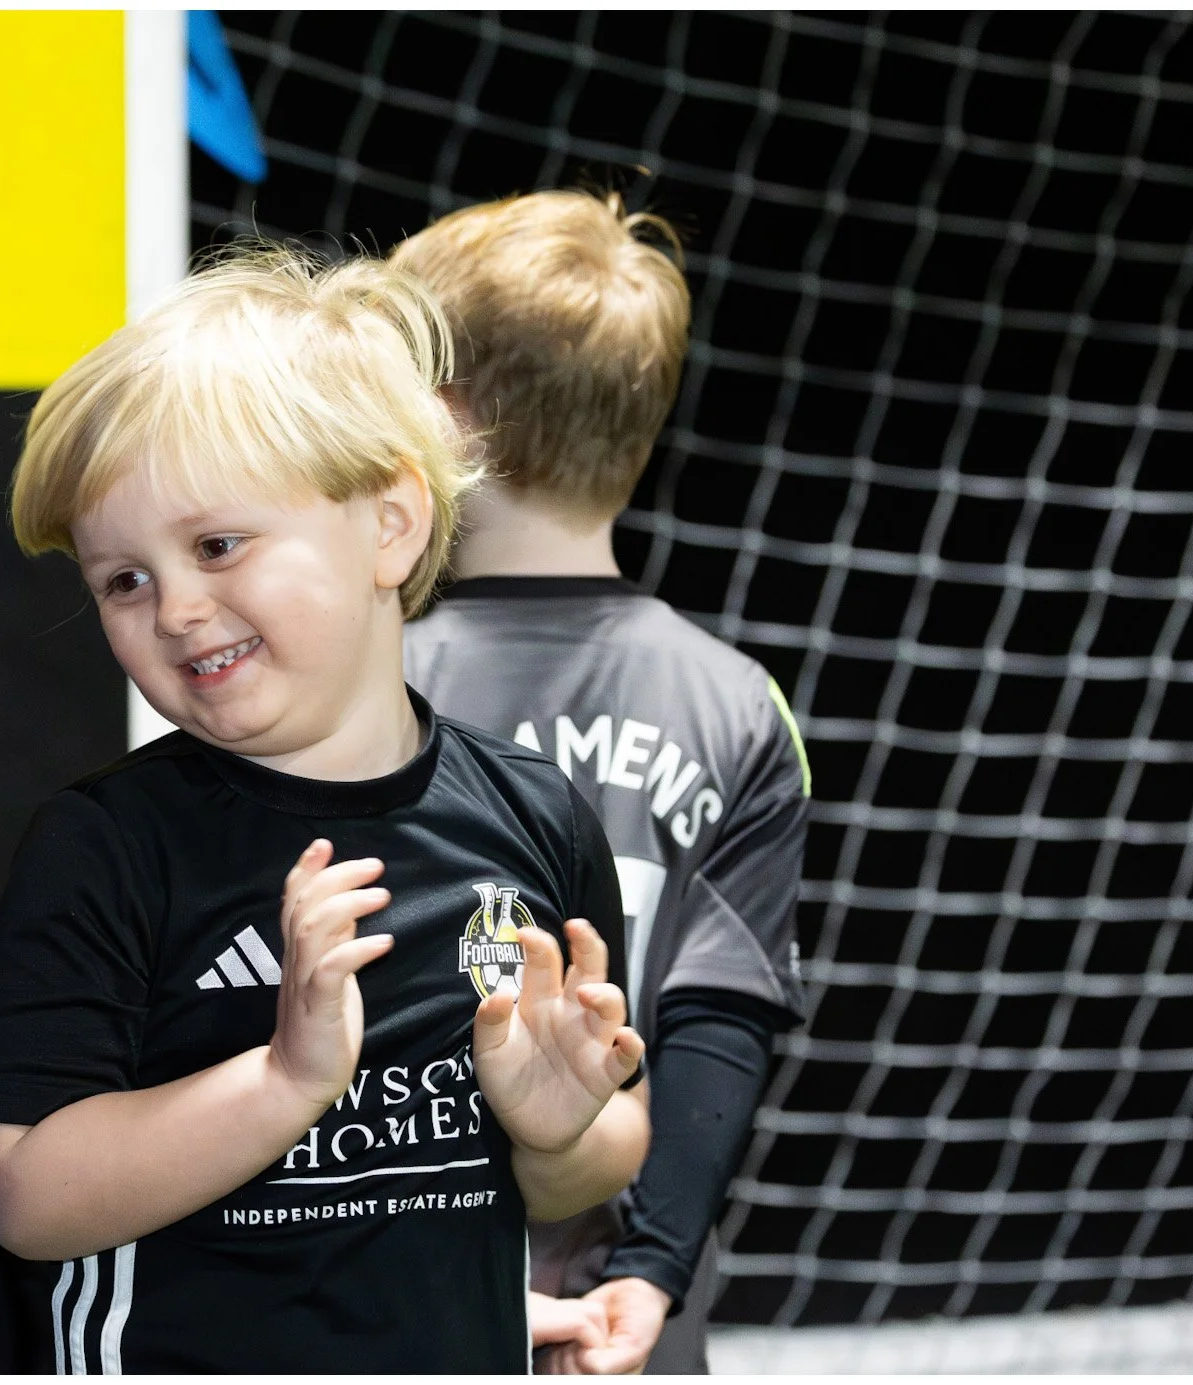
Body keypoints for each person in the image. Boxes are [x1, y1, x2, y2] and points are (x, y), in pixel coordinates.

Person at [0, 248, 651, 1374]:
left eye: (216, 544)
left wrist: (554, 1121)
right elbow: (27, 1193)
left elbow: (606, 1141)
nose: (177, 607)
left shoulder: (536, 817)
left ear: (390, 526)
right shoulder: (109, 849)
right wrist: (284, 1079)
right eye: (121, 580)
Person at [394, 189, 811, 1374]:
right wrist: (652, 1269)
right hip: (616, 1322)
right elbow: (723, 1016)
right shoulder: (736, 699)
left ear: (440, 416)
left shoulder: (360, 678)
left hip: (389, 1285)